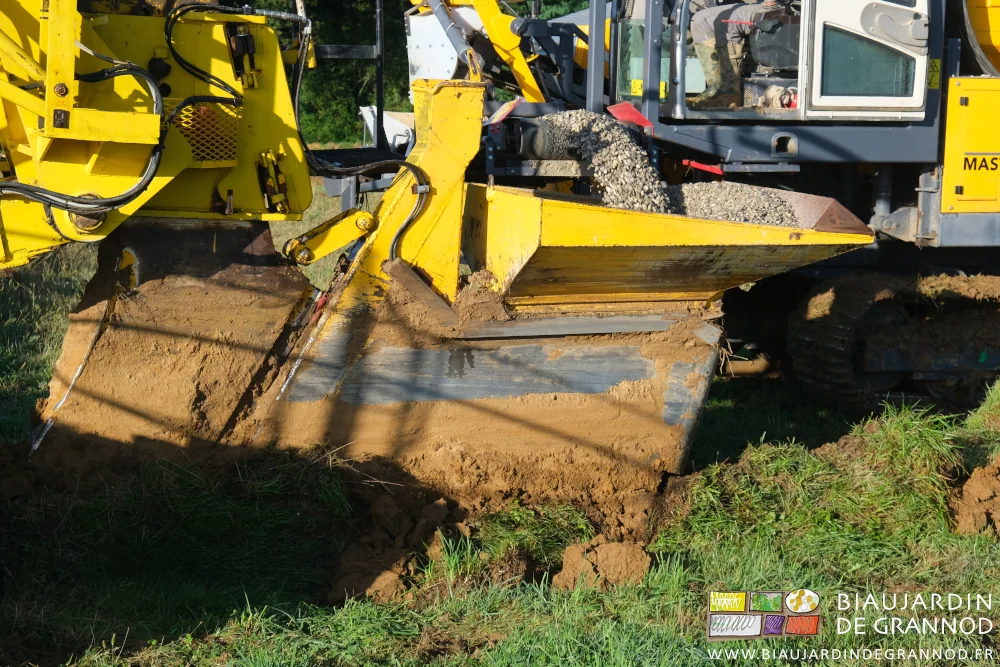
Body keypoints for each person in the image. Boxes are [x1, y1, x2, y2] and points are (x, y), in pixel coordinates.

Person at [688, 0, 777, 108]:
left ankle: (729, 94)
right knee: (699, 21)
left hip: (776, 5)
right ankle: (716, 90)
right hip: (756, 3)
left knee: (726, 21)